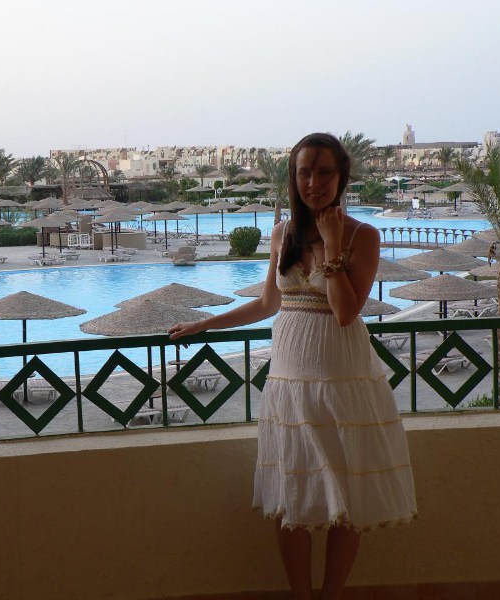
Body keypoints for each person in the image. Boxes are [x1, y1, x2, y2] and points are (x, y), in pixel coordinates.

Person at [168, 133, 417, 599]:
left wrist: (333, 245)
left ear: (341, 177)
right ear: (293, 178)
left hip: (341, 379)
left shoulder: (363, 236)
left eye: (324, 172)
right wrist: (206, 323)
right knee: (291, 499)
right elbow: (268, 303)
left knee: (346, 498)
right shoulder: (282, 233)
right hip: (289, 380)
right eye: (304, 172)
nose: (313, 183)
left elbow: (345, 312)